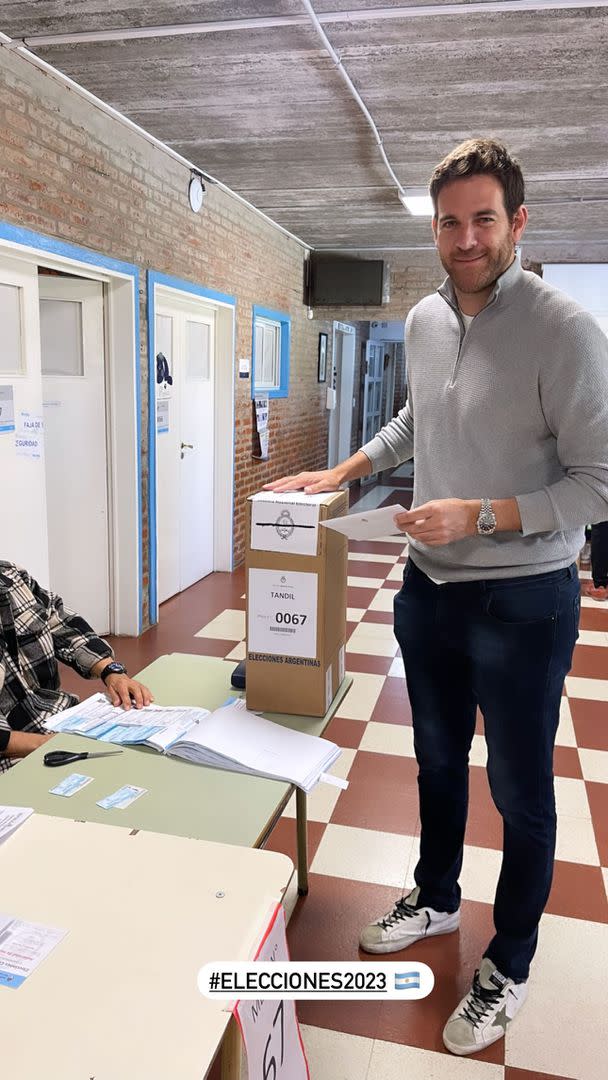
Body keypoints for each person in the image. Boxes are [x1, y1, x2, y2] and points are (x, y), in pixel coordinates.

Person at [265, 138, 608, 1056]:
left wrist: (485, 517)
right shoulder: (423, 317)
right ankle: (438, 893)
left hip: (525, 602)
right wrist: (344, 467)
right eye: (450, 221)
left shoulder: (567, 330)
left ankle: (511, 962)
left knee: (522, 790)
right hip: (428, 595)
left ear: (518, 223)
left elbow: (599, 484)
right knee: (434, 760)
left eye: (483, 219)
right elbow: (422, 413)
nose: (464, 237)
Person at [0, 560, 153, 773]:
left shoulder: (11, 577)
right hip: (13, 759)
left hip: (58, 722)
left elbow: (60, 622)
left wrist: (112, 672)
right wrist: (48, 744)